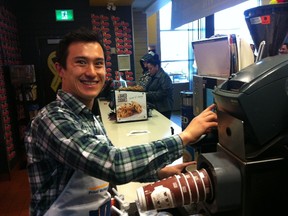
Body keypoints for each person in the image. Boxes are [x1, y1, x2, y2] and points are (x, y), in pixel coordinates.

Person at [24, 27, 217, 216]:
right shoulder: (51, 119)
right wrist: (185, 136)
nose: (92, 72)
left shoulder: (90, 119)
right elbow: (114, 165)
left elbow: (102, 173)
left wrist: (158, 173)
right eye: (81, 62)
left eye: (98, 64)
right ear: (60, 69)